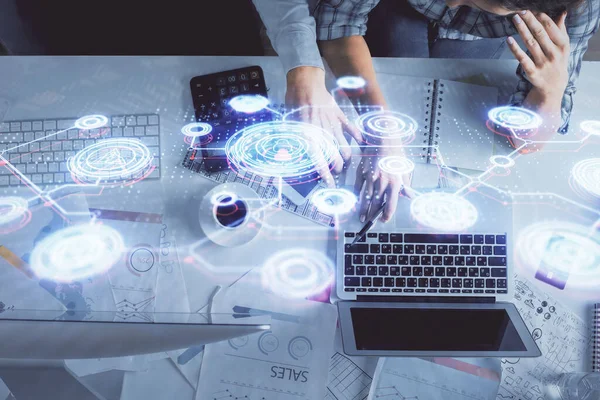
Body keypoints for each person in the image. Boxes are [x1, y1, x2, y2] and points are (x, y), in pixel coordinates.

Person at [253, 0, 599, 222]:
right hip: (395, 8)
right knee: (394, 49)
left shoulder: (576, 8)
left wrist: (550, 91)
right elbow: (340, 24)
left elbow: (528, 142)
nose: (450, 2)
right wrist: (383, 130)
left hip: (479, 42)